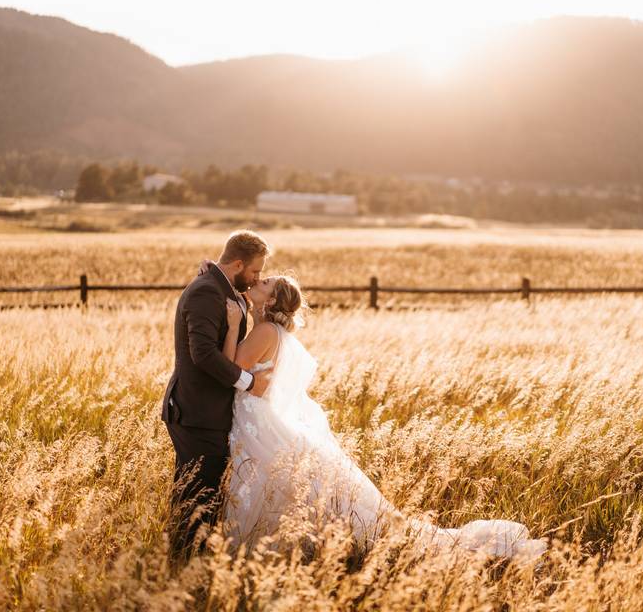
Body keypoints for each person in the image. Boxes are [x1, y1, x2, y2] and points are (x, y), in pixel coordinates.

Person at [214, 271, 548, 562]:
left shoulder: (265, 332)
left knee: (263, 481)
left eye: (267, 281)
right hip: (258, 416)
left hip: (258, 420)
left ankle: (256, 546)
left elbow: (231, 367)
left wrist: (230, 328)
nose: (260, 279)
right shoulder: (269, 330)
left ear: (271, 301)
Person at [160, 230, 274, 566]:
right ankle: (182, 563)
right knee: (195, 493)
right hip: (195, 411)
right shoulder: (206, 292)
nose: (257, 277)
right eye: (254, 271)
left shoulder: (223, 287)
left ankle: (194, 561)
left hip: (210, 411)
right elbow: (204, 354)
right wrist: (248, 382)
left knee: (206, 491)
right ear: (238, 263)